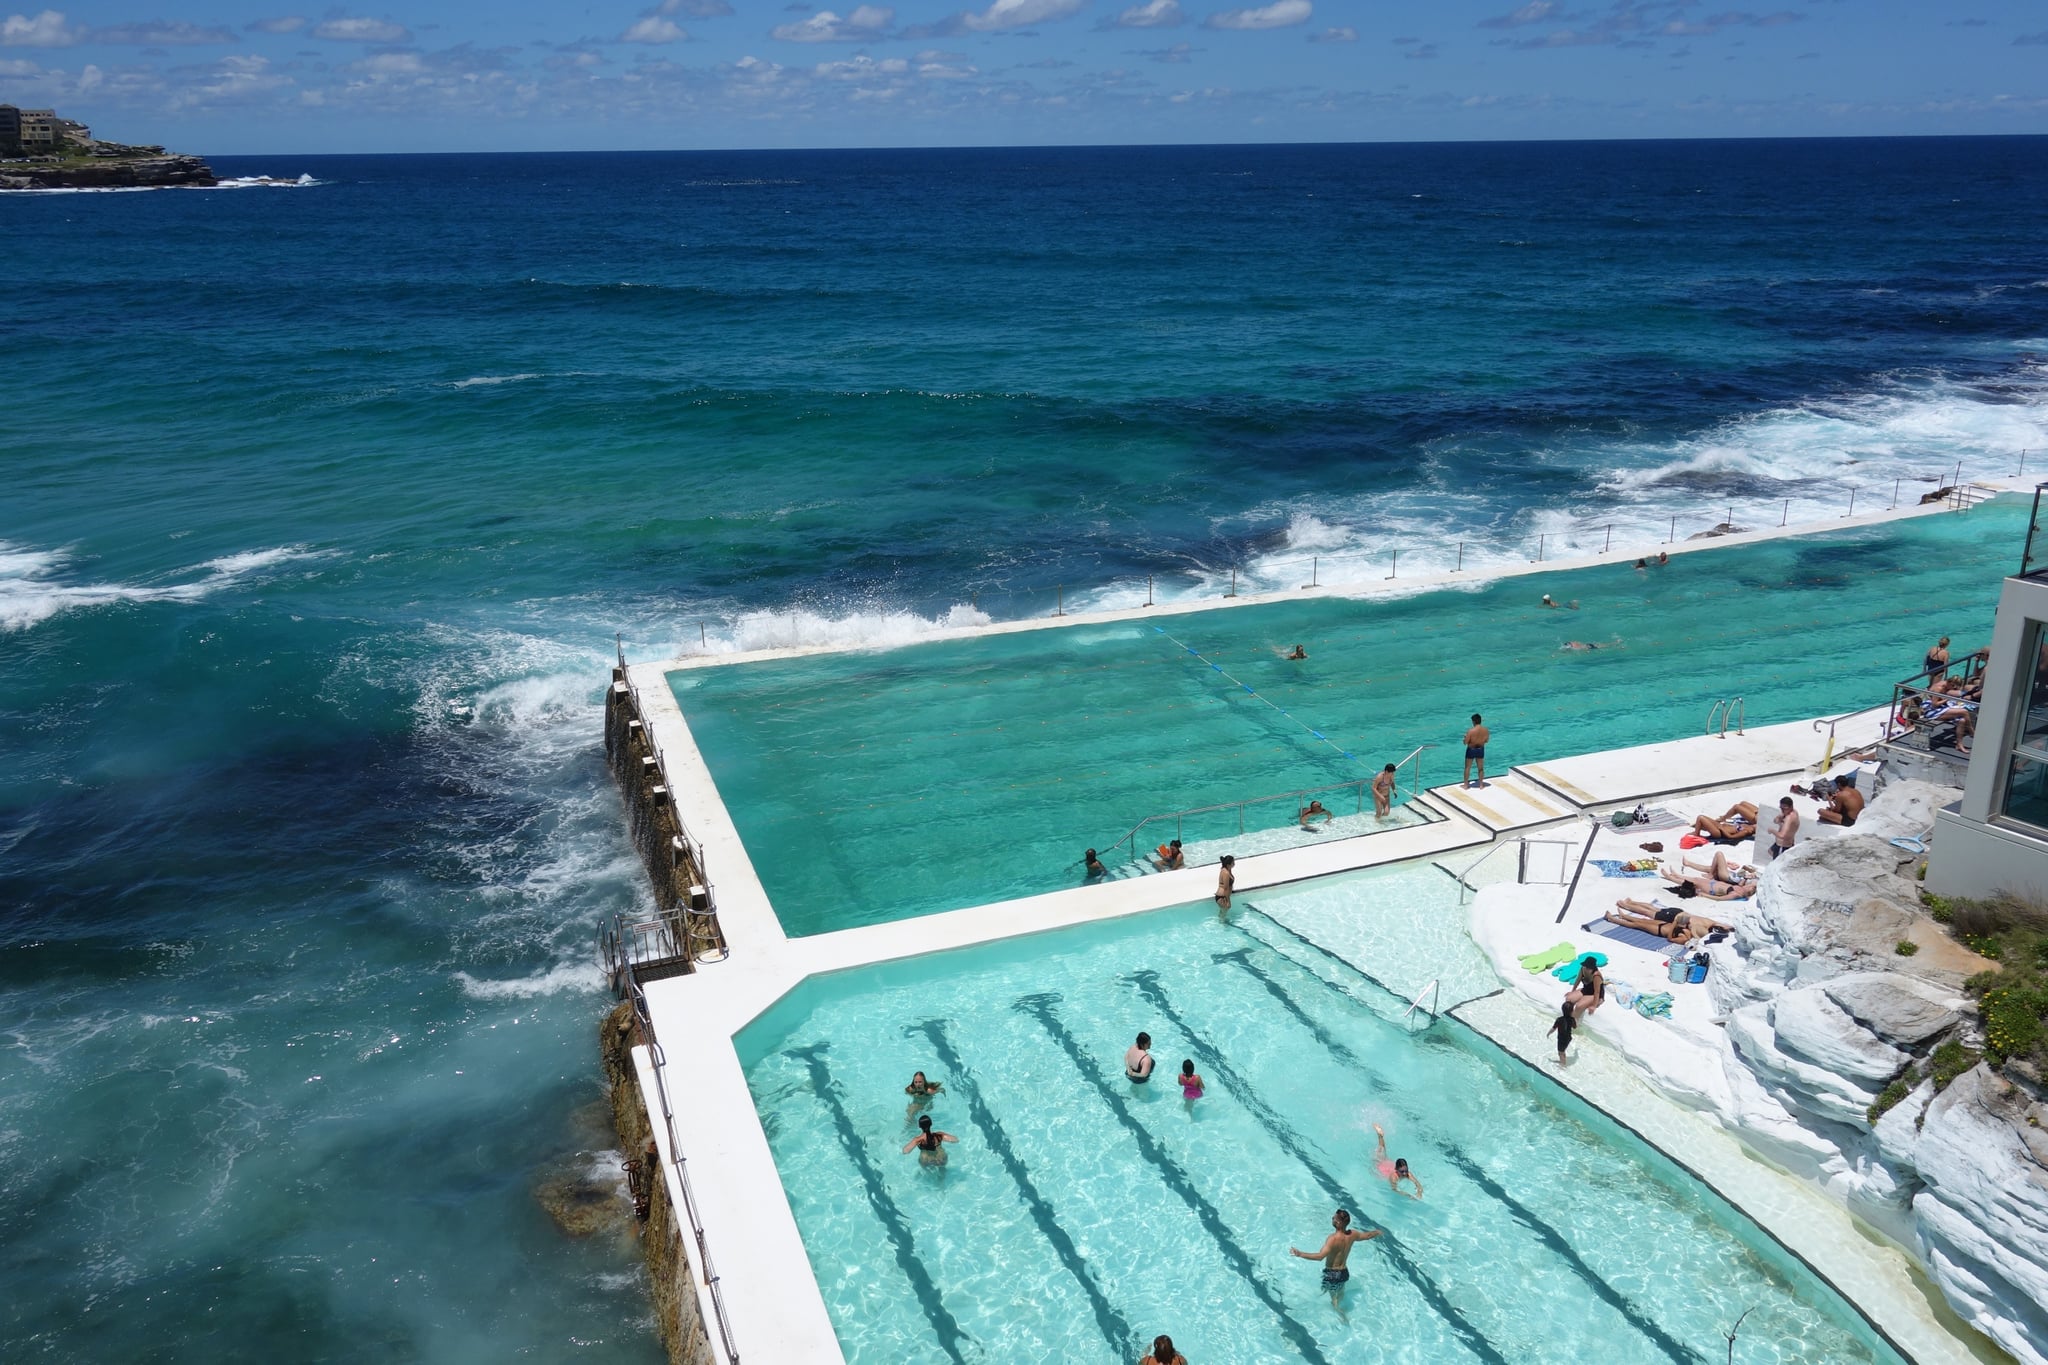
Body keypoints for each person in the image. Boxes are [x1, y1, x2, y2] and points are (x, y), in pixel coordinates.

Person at [1291, 1208, 1382, 1302]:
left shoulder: (1332, 1239)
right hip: (1344, 1273)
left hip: (1332, 1274)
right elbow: (1367, 1236)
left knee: (1332, 1299)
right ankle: (1340, 1308)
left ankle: (1341, 1315)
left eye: (1333, 1218)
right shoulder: (1352, 1234)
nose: (1332, 1219)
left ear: (1338, 1223)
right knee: (1338, 1294)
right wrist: (1378, 1232)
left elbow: (1320, 1257)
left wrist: (1300, 1254)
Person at [1608, 897, 1732, 943]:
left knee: (1639, 922)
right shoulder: (1707, 925)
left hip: (1665, 926)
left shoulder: (1688, 937)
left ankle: (1617, 917)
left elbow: (1671, 939)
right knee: (1646, 916)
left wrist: (1675, 924)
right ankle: (1624, 915)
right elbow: (1722, 927)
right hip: (1668, 922)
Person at [1660, 851, 1758, 900]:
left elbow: (1719, 899)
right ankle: (1682, 870)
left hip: (1716, 886)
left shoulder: (1737, 894)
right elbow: (1742, 874)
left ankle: (1672, 877)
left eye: (1751, 887)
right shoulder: (1742, 887)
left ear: (1749, 892)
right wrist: (1746, 873)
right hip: (1721, 881)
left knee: (1695, 882)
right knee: (1698, 877)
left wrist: (1704, 895)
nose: (1751, 885)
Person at [1373, 1124, 1423, 1199]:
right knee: (1381, 1151)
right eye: (1402, 1171)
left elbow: (1418, 1184)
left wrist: (1419, 1192)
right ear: (1396, 1170)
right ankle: (1380, 1135)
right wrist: (1408, 1195)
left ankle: (1380, 1136)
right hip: (1381, 1165)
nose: (1404, 1173)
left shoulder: (1408, 1173)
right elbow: (1395, 1190)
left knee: (1382, 1150)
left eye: (1406, 1170)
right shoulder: (1393, 1177)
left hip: (1388, 1163)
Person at [1799, 771, 1866, 827]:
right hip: (1860, 817)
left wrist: (1829, 800)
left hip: (1850, 821)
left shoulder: (1841, 795)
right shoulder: (1855, 791)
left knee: (1821, 812)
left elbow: (1836, 811)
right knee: (1830, 810)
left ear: (1839, 784)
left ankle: (1829, 818)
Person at [1689, 802, 1757, 842]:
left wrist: (1721, 828)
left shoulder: (1746, 831)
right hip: (1721, 827)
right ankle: (1698, 830)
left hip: (1719, 832)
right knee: (1703, 821)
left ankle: (1696, 834)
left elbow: (1731, 837)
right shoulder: (1747, 826)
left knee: (1701, 817)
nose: (1756, 825)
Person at [1463, 713, 1489, 789]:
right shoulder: (1485, 730)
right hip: (1480, 749)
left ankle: (1466, 785)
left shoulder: (1471, 731)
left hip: (1471, 750)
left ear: (1474, 721)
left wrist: (1464, 738)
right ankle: (1481, 785)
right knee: (1480, 768)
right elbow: (1486, 740)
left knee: (1467, 767)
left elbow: (1465, 742)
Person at [1547, 1000, 1576, 1067]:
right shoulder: (1572, 1019)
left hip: (1561, 1039)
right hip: (1568, 1038)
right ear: (1572, 1011)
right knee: (1562, 1051)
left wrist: (1548, 1033)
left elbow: (1553, 1028)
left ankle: (1563, 1065)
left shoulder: (1559, 1019)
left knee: (1560, 1052)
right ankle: (1562, 1061)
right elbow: (1575, 1027)